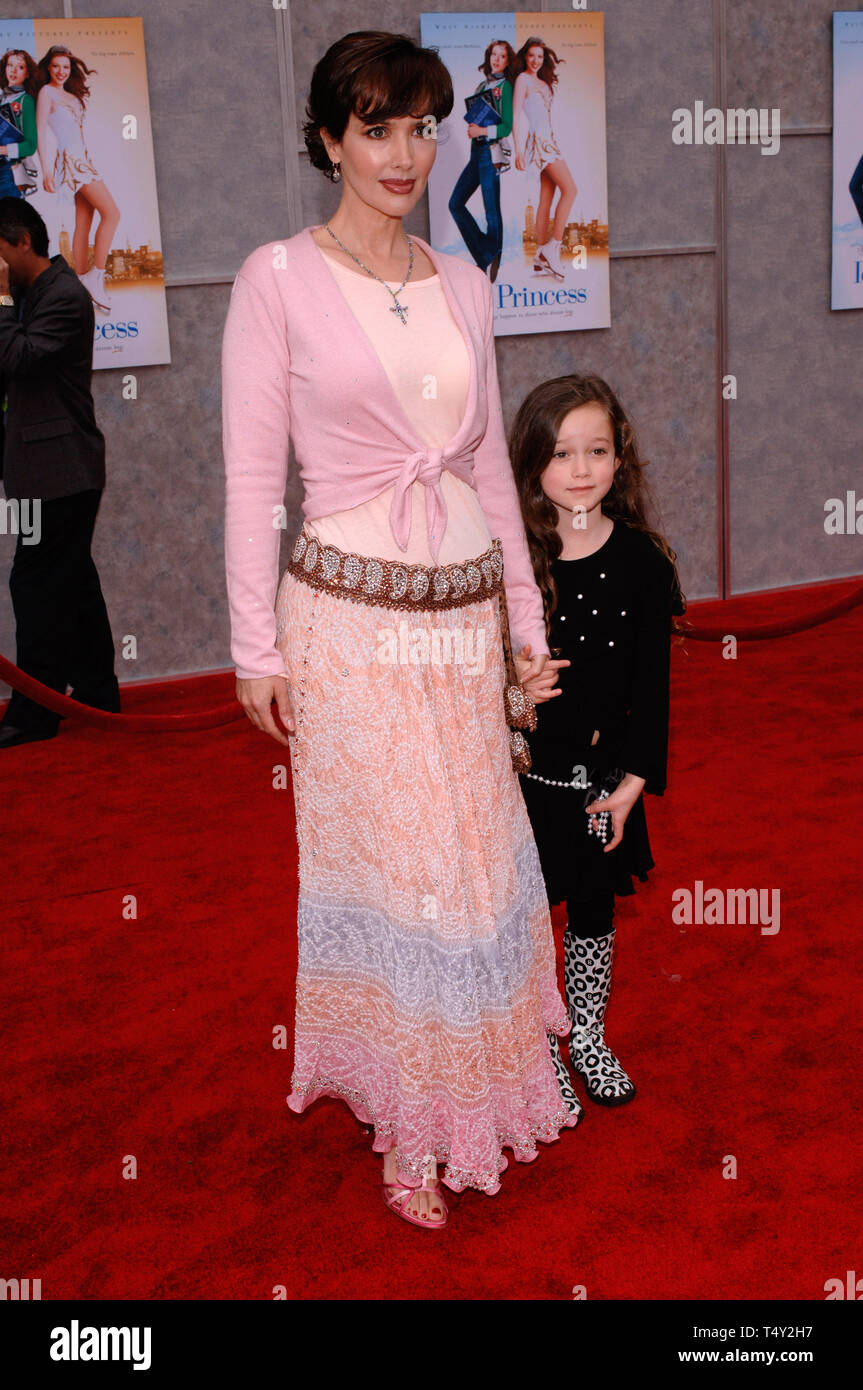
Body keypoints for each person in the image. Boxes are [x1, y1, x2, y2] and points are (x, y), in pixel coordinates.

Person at [221, 31, 578, 1230]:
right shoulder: (275, 278)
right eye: (375, 127)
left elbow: (484, 477)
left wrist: (522, 628)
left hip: (460, 625)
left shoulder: (467, 283)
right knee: (405, 874)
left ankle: (469, 1088)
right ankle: (409, 1129)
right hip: (346, 631)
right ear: (326, 138)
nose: (403, 153)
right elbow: (247, 479)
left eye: (422, 126)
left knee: (473, 869)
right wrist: (251, 650)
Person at [509, 374, 684, 1112]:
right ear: (529, 466)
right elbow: (468, 686)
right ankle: (539, 1046)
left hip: (603, 786)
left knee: (591, 911)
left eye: (596, 450)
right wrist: (514, 699)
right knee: (524, 920)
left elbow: (652, 694)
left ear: (620, 459)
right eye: (559, 453)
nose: (579, 469)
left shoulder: (643, 562)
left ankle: (586, 1034)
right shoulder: (509, 565)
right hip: (520, 786)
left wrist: (629, 788)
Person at [0, 197, 120, 748]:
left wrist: (1, 299)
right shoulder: (31, 295)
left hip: (62, 468)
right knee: (70, 580)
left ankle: (35, 712)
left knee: (37, 583)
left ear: (23, 241)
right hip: (34, 470)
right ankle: (98, 694)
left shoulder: (65, 297)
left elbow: (19, 357)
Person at [35, 45, 120, 315]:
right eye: (56, 66)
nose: (61, 71)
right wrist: (46, 170)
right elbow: (40, 132)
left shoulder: (72, 96)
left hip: (83, 158)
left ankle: (82, 281)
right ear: (48, 67)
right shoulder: (46, 92)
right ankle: (96, 277)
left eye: (65, 67)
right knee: (113, 214)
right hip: (71, 161)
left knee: (85, 219)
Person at [447, 39, 515, 280]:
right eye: (493, 54)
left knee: (491, 211)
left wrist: (482, 132)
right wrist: (473, 128)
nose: (496, 59)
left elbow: (506, 126)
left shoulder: (506, 87)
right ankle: (485, 253)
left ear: (508, 62)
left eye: (502, 56)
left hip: (490, 151)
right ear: (488, 57)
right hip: (476, 152)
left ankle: (490, 255)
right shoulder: (481, 85)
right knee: (455, 203)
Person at [512, 37, 577, 280]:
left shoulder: (545, 83)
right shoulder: (523, 80)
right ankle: (553, 247)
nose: (536, 60)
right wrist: (518, 149)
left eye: (539, 56)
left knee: (546, 198)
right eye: (531, 56)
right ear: (525, 57)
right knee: (570, 190)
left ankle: (540, 255)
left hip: (550, 140)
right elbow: (516, 116)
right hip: (540, 144)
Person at [0, 49, 40, 200]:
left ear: (27, 73)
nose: (13, 70)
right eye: (10, 65)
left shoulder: (26, 101)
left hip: (8, 172)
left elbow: (30, 145)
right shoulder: (1, 97)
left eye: (20, 67)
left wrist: (2, 150)